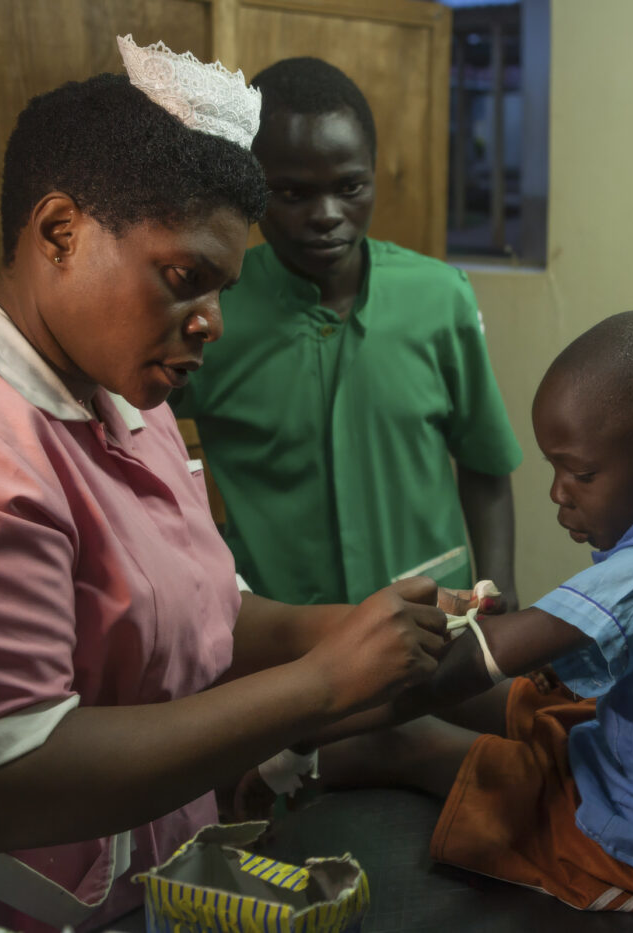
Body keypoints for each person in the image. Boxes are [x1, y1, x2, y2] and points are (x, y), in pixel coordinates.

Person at [0, 38, 459, 933]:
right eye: (185, 279)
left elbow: (202, 610)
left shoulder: (120, 394)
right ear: (60, 233)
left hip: (126, 882)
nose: (211, 323)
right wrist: (320, 685)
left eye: (221, 290)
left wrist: (360, 628)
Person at [314, 311, 633, 912]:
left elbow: (477, 664)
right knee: (540, 700)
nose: (557, 493)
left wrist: (299, 718)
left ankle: (343, 753)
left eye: (581, 473)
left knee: (450, 747)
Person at [170, 56, 523, 607]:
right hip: (288, 636)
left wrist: (500, 593)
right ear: (251, 186)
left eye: (351, 186)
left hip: (438, 617)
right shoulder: (210, 312)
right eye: (292, 194)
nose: (327, 215)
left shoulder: (439, 297)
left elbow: (485, 462)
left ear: (374, 173)